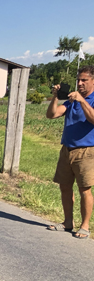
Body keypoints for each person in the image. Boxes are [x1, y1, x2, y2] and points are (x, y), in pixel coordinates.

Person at [46, 66, 94, 239]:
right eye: (78, 80)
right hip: (66, 149)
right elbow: (51, 115)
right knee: (65, 186)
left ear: (93, 81)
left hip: (86, 151)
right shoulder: (71, 100)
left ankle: (85, 226)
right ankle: (68, 222)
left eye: (84, 80)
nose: (80, 83)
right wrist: (55, 97)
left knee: (84, 189)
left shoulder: (88, 100)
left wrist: (82, 101)